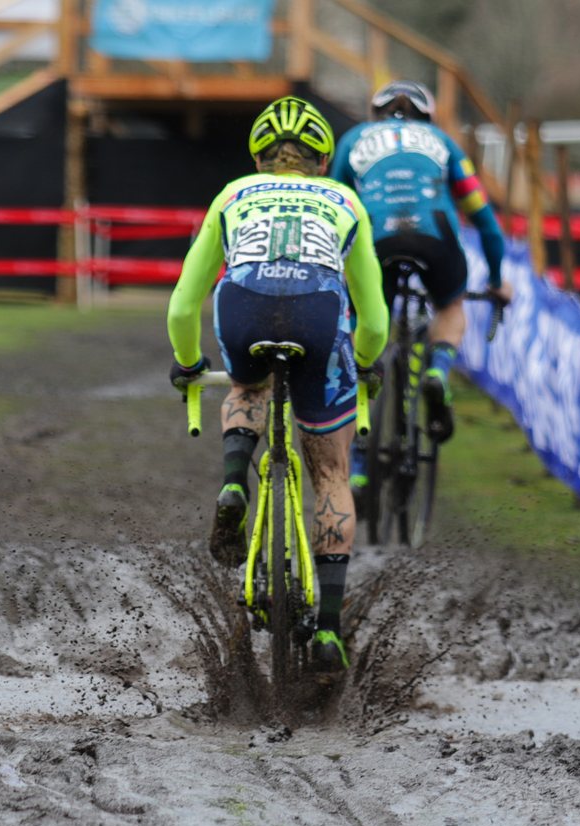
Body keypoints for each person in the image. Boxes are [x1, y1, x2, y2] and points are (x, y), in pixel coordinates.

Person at [166, 96, 389, 673]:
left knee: (246, 384)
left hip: (243, 308)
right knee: (332, 474)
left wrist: (189, 363)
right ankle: (331, 632)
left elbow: (184, 302)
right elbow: (376, 318)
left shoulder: (233, 194)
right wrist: (363, 363)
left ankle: (235, 480)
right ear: (321, 160)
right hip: (318, 316)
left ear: (260, 159)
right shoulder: (345, 199)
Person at [329, 80, 511, 469]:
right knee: (450, 306)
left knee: (365, 337)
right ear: (426, 115)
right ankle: (438, 373)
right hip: (436, 239)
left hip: (375, 240)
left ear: (376, 113)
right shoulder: (443, 142)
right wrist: (496, 280)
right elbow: (486, 222)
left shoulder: (354, 139)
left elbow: (334, 205)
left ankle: (359, 465)